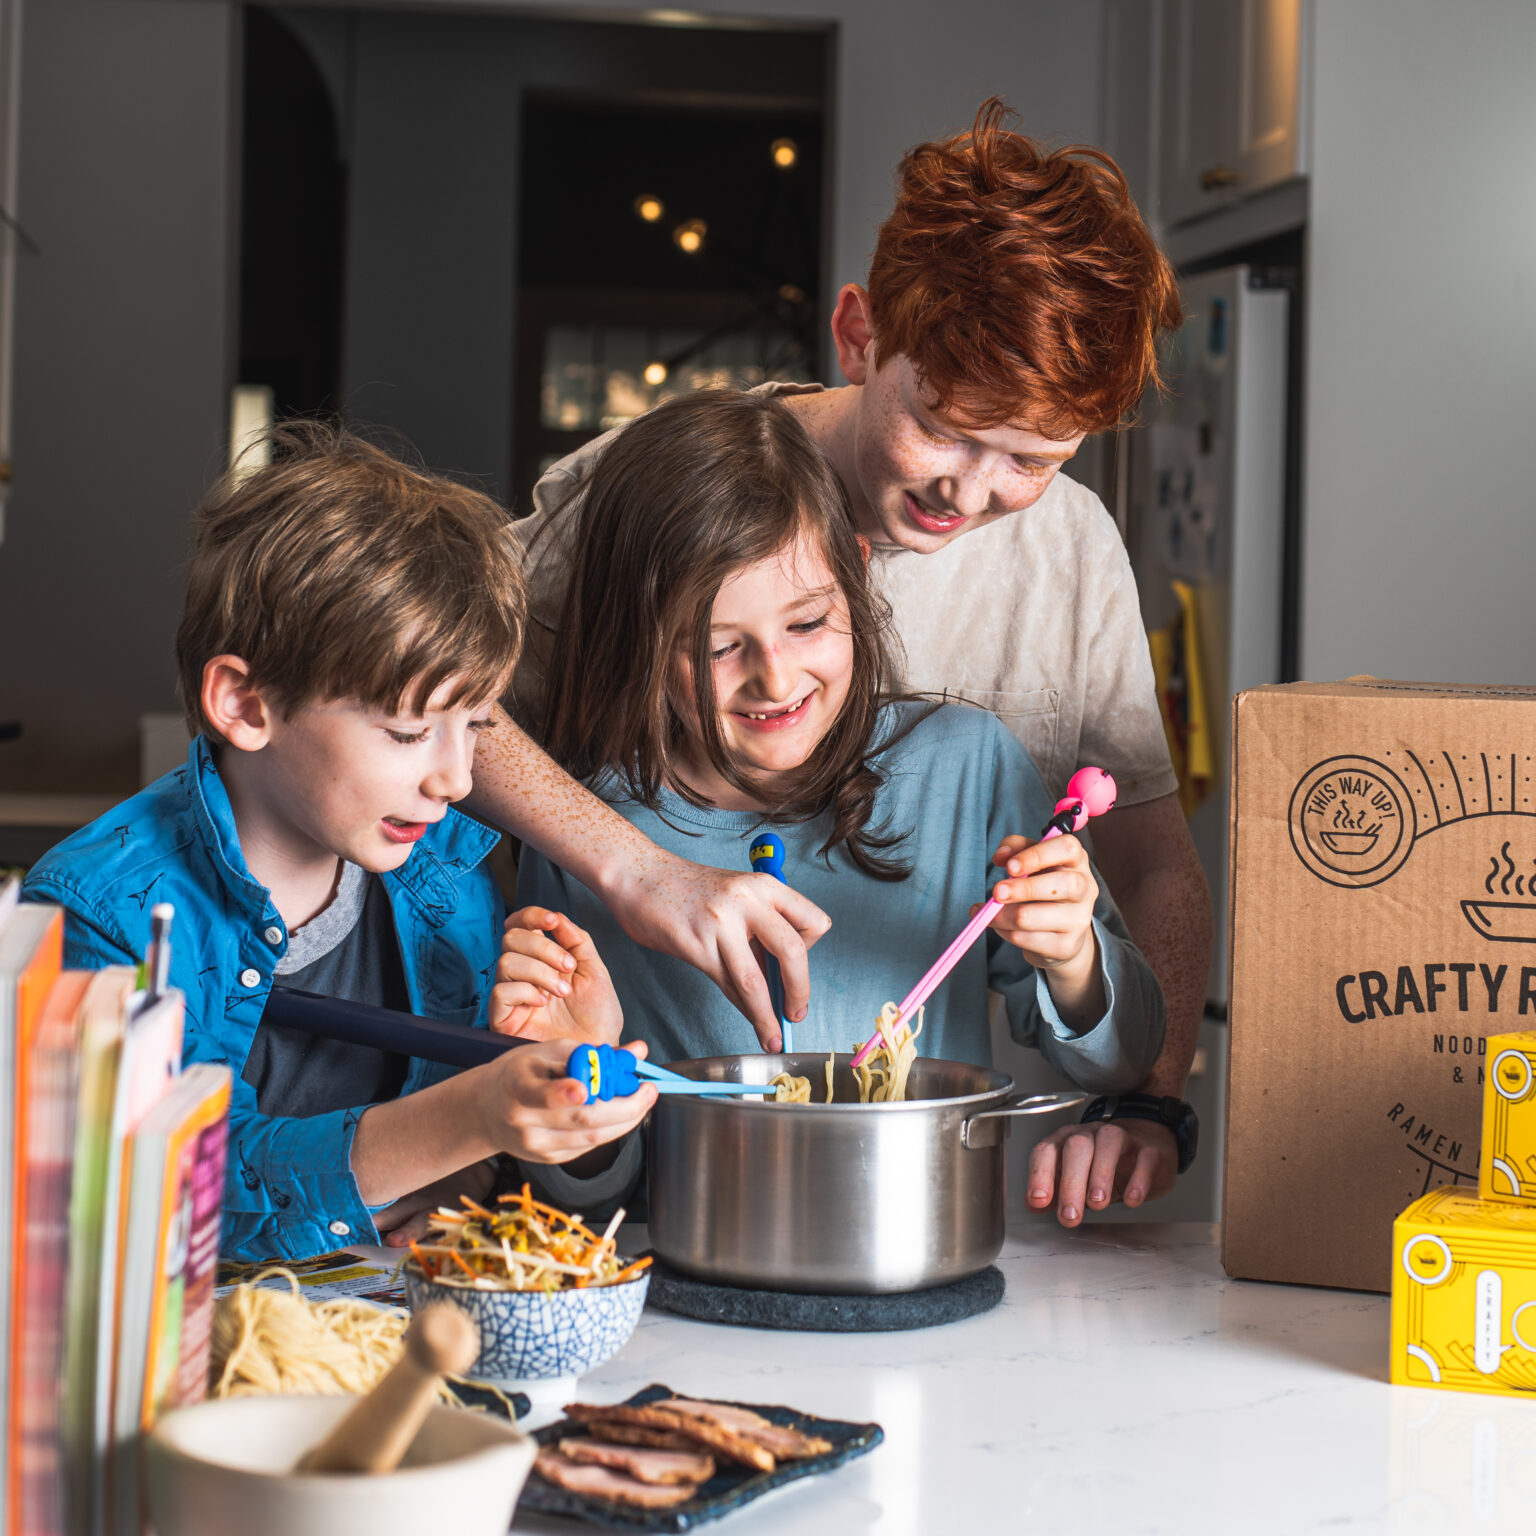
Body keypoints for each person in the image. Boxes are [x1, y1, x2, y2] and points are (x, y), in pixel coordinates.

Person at [497, 101, 1209, 1225]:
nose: (971, 494)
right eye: (944, 425)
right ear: (860, 334)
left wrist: (1150, 1105)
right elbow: (427, 705)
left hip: (950, 1196)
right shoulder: (645, 497)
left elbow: (1154, 868)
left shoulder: (1065, 548)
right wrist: (628, 869)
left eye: (1031, 458)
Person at [492, 391, 1164, 1216]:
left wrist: (1073, 959)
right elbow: (579, 1196)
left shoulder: (966, 767)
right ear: (640, 639)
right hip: (685, 1275)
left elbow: (1122, 1060)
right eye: (715, 647)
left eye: (807, 623)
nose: (774, 679)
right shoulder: (586, 828)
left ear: (854, 576)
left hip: (922, 1253)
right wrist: (574, 1093)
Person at [22, 426, 652, 1261]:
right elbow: (154, 1199)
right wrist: (467, 1117)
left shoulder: (447, 875)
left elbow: (515, 1208)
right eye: (405, 731)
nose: (457, 780)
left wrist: (561, 1085)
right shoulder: (94, 920)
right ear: (246, 705)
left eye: (475, 726)